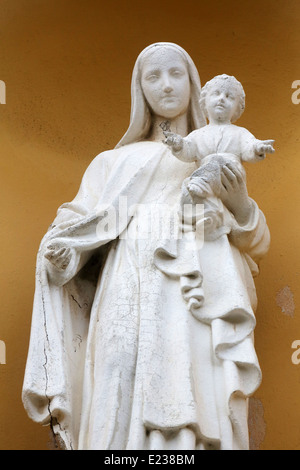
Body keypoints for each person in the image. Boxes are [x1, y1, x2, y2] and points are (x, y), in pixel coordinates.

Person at [22, 43, 270, 450]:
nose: (166, 85)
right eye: (153, 77)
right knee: (117, 370)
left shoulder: (212, 153)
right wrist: (62, 251)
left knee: (190, 376)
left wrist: (241, 204)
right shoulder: (112, 162)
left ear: (193, 85)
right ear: (140, 89)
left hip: (195, 290)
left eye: (175, 74)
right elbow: (75, 224)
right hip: (128, 280)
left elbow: (255, 242)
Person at [164, 74, 275, 199]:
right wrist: (179, 144)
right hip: (205, 175)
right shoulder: (198, 134)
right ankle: (199, 193)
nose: (221, 99)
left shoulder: (240, 132)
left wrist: (258, 148)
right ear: (205, 101)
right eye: (216, 94)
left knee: (216, 164)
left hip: (231, 178)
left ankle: (200, 188)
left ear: (237, 107)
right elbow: (188, 150)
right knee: (195, 182)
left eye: (229, 97)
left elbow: (248, 147)